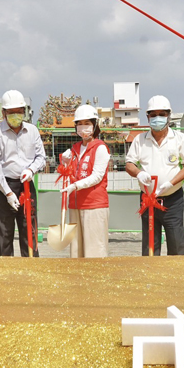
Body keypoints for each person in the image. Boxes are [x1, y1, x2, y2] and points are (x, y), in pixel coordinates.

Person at [125, 95, 184, 256]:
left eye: (162, 114)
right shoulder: (140, 139)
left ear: (168, 116)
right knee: (150, 246)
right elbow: (129, 164)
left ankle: (175, 277)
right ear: (147, 117)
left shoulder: (179, 139)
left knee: (176, 244)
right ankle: (150, 277)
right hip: (148, 199)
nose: (158, 118)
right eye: (153, 114)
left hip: (173, 199)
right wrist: (139, 173)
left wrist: (170, 183)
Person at [0, 90, 45, 256]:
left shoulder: (32, 131)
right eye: (11, 113)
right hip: (3, 187)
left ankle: (32, 268)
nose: (15, 116)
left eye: (19, 112)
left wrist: (31, 169)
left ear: (24, 111)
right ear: (4, 113)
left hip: (26, 184)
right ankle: (5, 273)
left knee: (29, 230)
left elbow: (41, 156)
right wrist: (8, 193)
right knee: (3, 234)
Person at [60, 104, 111, 258]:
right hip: (75, 205)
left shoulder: (100, 148)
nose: (83, 128)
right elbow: (68, 172)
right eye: (79, 124)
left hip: (93, 205)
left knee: (94, 250)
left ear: (95, 125)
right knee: (76, 250)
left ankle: (97, 280)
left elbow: (97, 176)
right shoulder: (74, 148)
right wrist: (64, 162)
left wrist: (75, 186)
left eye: (87, 124)